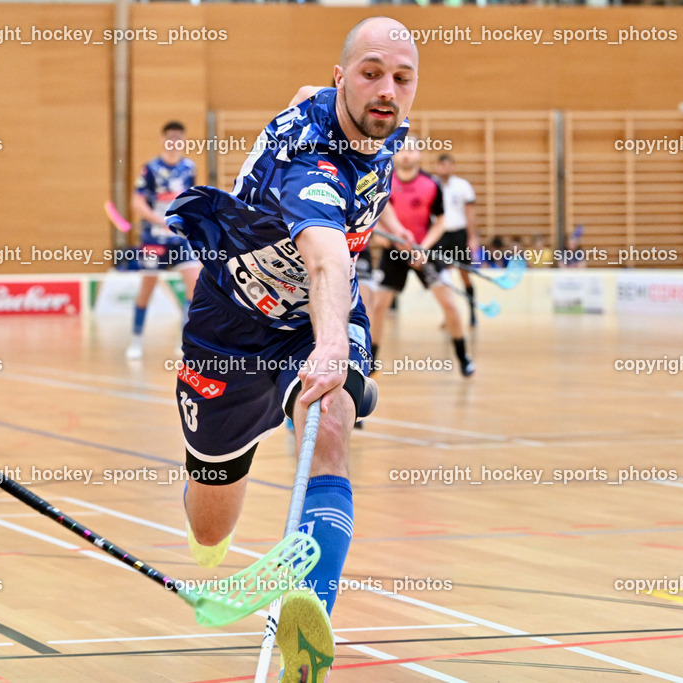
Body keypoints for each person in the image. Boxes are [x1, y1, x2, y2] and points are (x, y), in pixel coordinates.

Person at [166, 17, 418, 682]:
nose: (387, 89)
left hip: (314, 317)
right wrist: (334, 339)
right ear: (341, 77)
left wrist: (332, 344)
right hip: (231, 330)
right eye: (370, 72)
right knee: (211, 530)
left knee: (331, 418)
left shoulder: (378, 120)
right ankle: (214, 496)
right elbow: (326, 256)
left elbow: (340, 264)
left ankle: (305, 626)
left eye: (401, 76)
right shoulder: (309, 161)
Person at [370, 138, 475, 377]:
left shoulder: (431, 184)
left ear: (419, 154)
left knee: (449, 303)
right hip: (393, 252)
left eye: (411, 149)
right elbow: (374, 219)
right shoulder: (383, 181)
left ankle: (463, 357)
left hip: (424, 251)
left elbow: (441, 222)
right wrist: (383, 240)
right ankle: (371, 359)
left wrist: (423, 248)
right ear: (394, 155)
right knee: (378, 306)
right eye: (401, 150)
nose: (406, 154)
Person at [125, 121, 201, 359]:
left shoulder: (189, 168)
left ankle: (184, 342)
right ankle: (136, 339)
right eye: (170, 136)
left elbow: (191, 198)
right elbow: (136, 202)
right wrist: (157, 219)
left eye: (179, 136)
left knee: (195, 286)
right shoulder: (150, 169)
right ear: (162, 139)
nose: (174, 140)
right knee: (146, 289)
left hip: (180, 237)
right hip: (154, 239)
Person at [433, 153, 479, 326]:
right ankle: (448, 315)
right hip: (440, 236)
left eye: (448, 165)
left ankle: (472, 314)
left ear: (453, 167)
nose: (445, 169)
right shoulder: (433, 185)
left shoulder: (463, 186)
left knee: (465, 275)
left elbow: (470, 213)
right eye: (442, 165)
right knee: (443, 277)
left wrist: (472, 237)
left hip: (459, 235)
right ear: (437, 166)